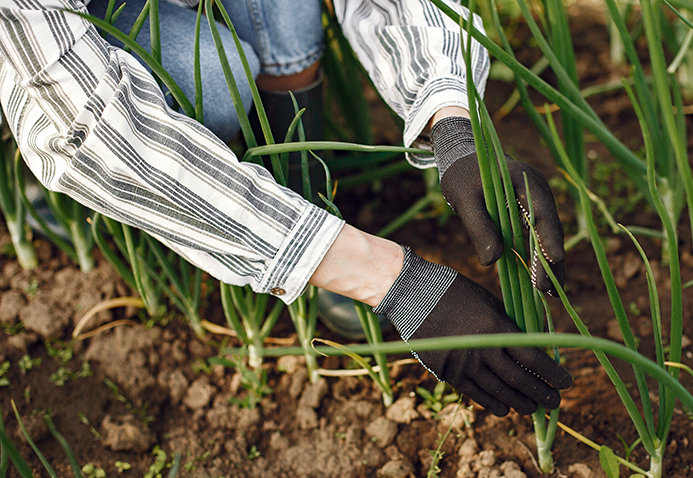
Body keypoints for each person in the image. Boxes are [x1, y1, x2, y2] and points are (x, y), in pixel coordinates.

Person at [0, 0, 572, 417]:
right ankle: (312, 249)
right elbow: (88, 129)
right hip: (51, 61)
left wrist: (454, 125)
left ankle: (302, 215)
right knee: (217, 78)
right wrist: (397, 283)